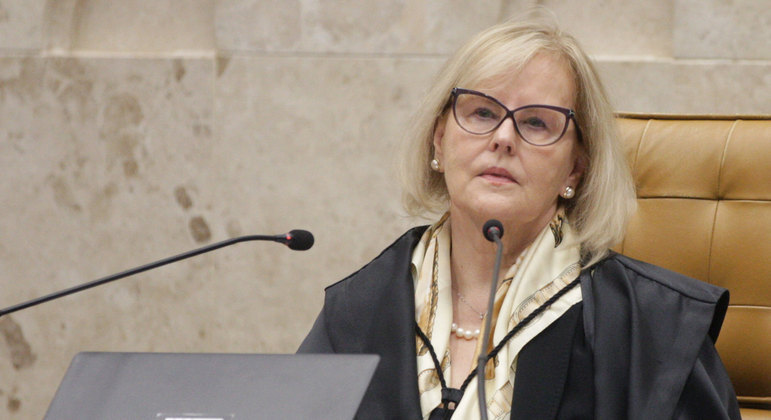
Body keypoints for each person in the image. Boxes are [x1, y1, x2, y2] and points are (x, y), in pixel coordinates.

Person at [298, 14, 740, 420]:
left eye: (536, 123)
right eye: (482, 112)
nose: (503, 137)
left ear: (574, 169)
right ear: (439, 141)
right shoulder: (359, 309)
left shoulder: (654, 330)